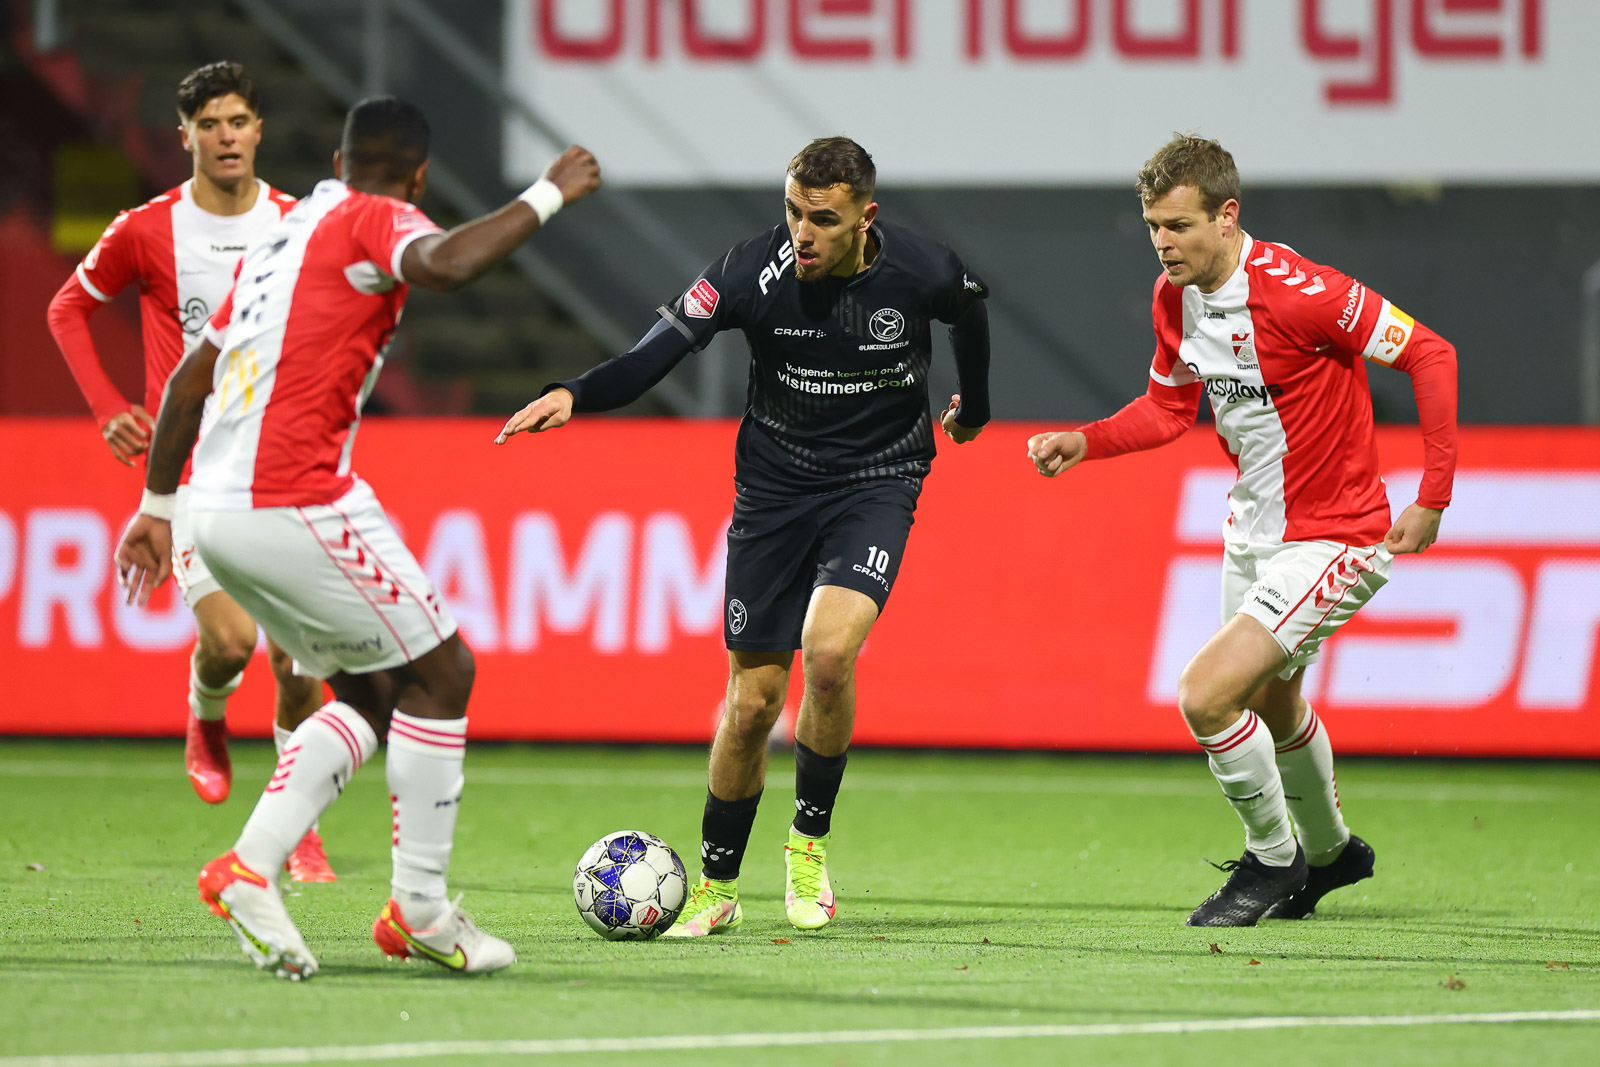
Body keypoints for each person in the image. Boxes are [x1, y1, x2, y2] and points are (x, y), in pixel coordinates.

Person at [114, 96, 601, 978]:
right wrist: (549, 194)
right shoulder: (380, 217)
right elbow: (447, 264)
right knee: (446, 670)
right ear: (416, 175)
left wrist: (157, 507)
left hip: (213, 511)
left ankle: (249, 868)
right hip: (293, 496)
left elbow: (189, 379)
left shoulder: (284, 231)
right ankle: (419, 908)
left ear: (337, 161)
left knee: (376, 691)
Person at [496, 136, 991, 937]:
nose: (802, 232)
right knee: (754, 699)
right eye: (793, 211)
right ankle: (717, 887)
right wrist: (575, 393)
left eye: (823, 220)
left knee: (829, 655)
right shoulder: (746, 272)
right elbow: (652, 355)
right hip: (774, 491)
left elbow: (970, 308)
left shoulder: (923, 269)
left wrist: (978, 404)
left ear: (866, 219)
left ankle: (806, 847)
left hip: (878, 480)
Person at [1027, 134, 1458, 926]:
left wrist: (1432, 495)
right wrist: (1085, 440)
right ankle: (1333, 854)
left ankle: (1274, 857)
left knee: (1206, 694)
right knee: (1274, 697)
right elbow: (1166, 409)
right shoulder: (1174, 298)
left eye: (1180, 225)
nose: (1164, 243)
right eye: (1154, 225)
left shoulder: (1303, 293)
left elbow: (1431, 353)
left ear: (1228, 217)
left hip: (1336, 536)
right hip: (1251, 530)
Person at [45, 62, 334, 879]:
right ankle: (205, 711)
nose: (226, 136)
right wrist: (106, 408)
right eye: (209, 125)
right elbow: (66, 308)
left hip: (283, 471)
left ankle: (296, 821)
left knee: (296, 660)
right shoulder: (147, 228)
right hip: (196, 478)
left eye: (238, 121)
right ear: (185, 136)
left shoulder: (297, 221)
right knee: (233, 643)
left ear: (259, 129)